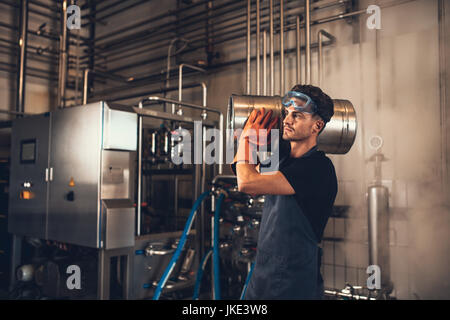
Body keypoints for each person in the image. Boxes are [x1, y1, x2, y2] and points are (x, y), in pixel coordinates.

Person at [232, 84, 338, 299]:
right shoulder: (282, 159)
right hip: (263, 275)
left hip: (292, 281)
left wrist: (247, 141)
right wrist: (249, 142)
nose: (287, 120)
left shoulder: (318, 168)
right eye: (286, 114)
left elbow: (247, 182)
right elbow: (249, 180)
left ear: (317, 126)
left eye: (297, 115)